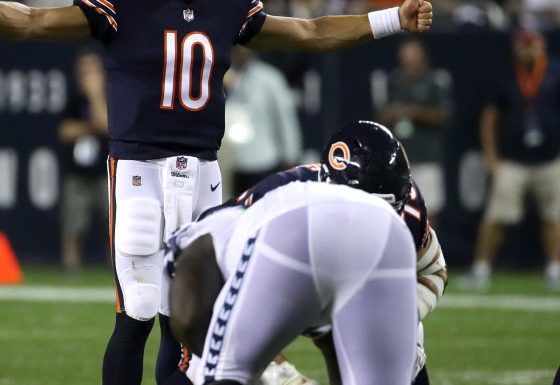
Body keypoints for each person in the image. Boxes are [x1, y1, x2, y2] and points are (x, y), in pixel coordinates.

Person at [0, 0, 433, 385]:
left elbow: (310, 32)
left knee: (189, 319)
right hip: (138, 170)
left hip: (203, 172)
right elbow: (35, 21)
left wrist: (393, 19)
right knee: (137, 310)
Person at [164, 121, 446, 385]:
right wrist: (276, 369)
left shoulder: (408, 207)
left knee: (220, 369)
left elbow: (433, 271)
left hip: (309, 267)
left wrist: (401, 320)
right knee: (202, 367)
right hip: (275, 269)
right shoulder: (278, 200)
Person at [462, 29, 560, 291]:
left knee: (554, 217)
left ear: (541, 46)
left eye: (532, 45)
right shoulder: (505, 75)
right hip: (513, 160)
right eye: (523, 45)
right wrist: (492, 158)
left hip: (550, 159)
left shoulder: (554, 73)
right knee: (495, 217)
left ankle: (555, 269)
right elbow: (489, 119)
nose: (527, 50)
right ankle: (480, 269)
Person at [376, 39, 453, 227]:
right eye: (405, 59)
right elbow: (379, 115)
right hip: (398, 158)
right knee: (392, 210)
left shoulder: (435, 81)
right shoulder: (391, 81)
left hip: (426, 155)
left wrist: (414, 111)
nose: (408, 64)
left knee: (428, 210)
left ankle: (427, 254)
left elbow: (444, 116)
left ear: (423, 59)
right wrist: (393, 113)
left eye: (413, 59)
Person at [58, 46, 110, 274]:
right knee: (73, 222)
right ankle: (71, 265)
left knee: (113, 223)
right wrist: (91, 128)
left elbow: (107, 125)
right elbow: (65, 131)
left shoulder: (111, 96)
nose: (88, 76)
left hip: (107, 170)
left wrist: (96, 95)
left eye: (93, 70)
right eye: (84, 71)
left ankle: (116, 266)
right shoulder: (74, 99)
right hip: (78, 171)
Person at [225, 46, 302, 196]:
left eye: (244, 47)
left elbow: (285, 119)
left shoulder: (270, 78)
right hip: (238, 164)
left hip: (265, 162)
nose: (240, 52)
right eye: (237, 48)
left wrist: (291, 156)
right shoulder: (229, 79)